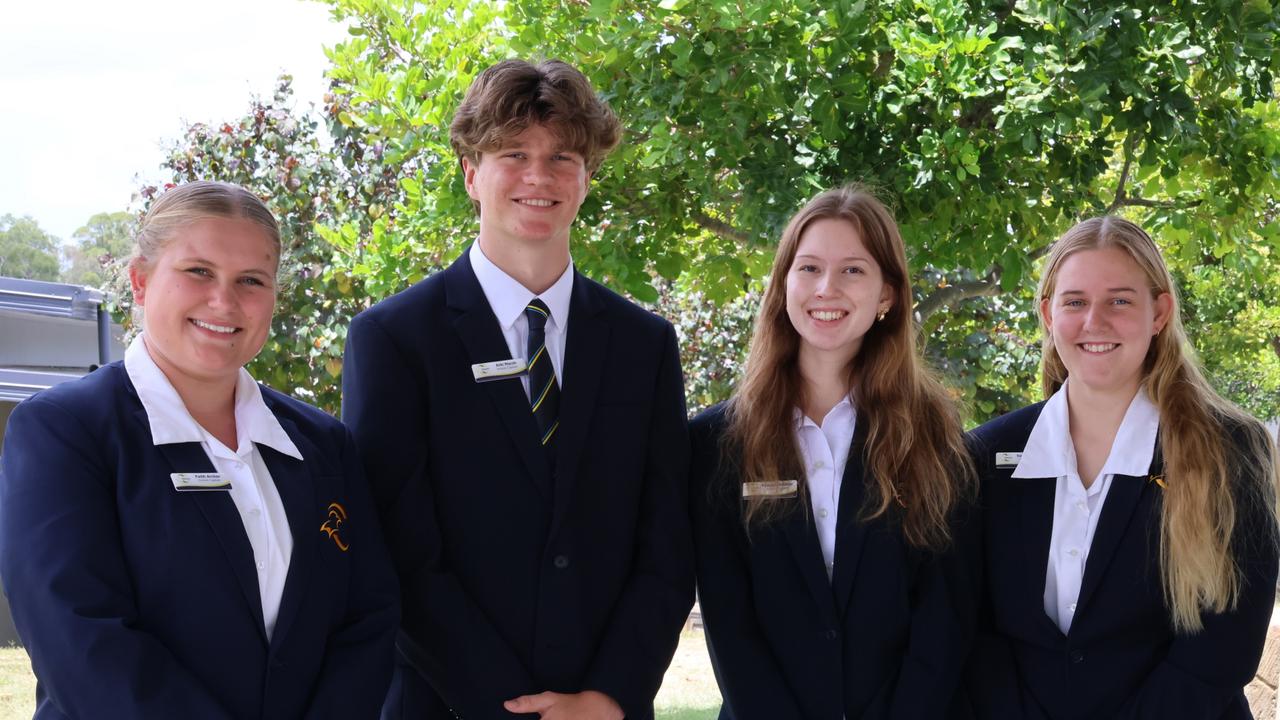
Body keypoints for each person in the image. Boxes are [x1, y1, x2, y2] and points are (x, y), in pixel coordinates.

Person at [341, 59, 693, 720]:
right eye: (513, 154)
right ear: (472, 174)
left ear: (587, 179)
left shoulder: (644, 345)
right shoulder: (394, 341)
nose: (540, 176)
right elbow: (401, 555)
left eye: (562, 156)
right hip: (448, 705)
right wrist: (518, 711)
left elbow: (667, 545)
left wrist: (611, 694)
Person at [0, 181, 400, 719]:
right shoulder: (64, 432)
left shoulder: (323, 445)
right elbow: (81, 639)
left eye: (251, 281)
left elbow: (367, 617)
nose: (224, 301)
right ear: (140, 281)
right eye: (198, 272)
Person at [966, 216, 1280, 718]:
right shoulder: (983, 456)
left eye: (1119, 300)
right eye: (1075, 302)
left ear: (1159, 312)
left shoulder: (1232, 450)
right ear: (1048, 314)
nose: (1095, 321)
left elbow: (1225, 646)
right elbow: (972, 631)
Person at [689, 186, 979, 719]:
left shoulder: (934, 434)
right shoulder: (715, 442)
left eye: (853, 270)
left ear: (887, 294)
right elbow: (730, 620)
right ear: (783, 286)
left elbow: (945, 613)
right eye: (809, 268)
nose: (827, 288)